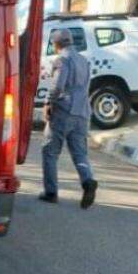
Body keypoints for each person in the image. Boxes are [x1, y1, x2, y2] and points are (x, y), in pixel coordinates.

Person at [39, 28, 98, 209]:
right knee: (79, 152)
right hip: (83, 112)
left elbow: (57, 86)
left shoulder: (61, 60)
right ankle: (87, 180)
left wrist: (48, 103)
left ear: (56, 43)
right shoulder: (83, 60)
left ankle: (51, 192)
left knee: (49, 151)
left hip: (64, 111)